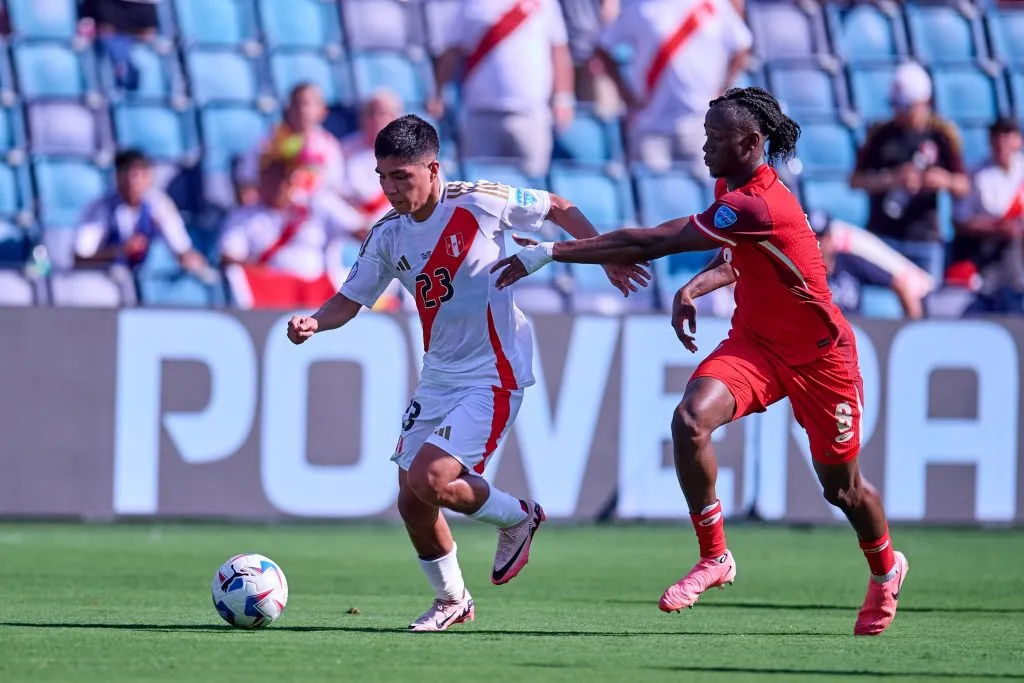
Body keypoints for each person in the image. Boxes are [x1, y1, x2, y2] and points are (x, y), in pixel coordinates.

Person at [493, 87, 908, 636]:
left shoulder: (759, 202)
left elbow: (653, 241)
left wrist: (549, 251)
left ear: (751, 142)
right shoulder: (733, 191)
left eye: (715, 137)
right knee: (690, 420)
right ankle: (715, 556)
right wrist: (697, 286)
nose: (704, 146)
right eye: (705, 134)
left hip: (820, 359)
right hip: (757, 344)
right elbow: (739, 254)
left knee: (841, 490)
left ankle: (885, 569)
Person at [285, 115, 649, 631]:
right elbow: (350, 299)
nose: (390, 189)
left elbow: (560, 208)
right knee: (412, 502)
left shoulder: (480, 200)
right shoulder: (387, 234)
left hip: (494, 370)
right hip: (439, 375)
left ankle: (520, 516)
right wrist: (314, 323)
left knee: (431, 478)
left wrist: (607, 255)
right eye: (381, 177)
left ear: (433, 168)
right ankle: (452, 600)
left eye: (401, 177)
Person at [849, 62, 969, 284]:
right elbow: (855, 180)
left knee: (926, 306)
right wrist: (892, 179)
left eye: (906, 107)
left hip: (924, 238)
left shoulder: (941, 135)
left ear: (924, 103)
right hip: (884, 235)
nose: (899, 113)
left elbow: (963, 185)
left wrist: (943, 181)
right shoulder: (881, 134)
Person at [75, 149, 208, 276]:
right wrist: (120, 251)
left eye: (140, 175)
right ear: (117, 177)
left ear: (149, 177)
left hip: (142, 282)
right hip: (104, 283)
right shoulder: (101, 209)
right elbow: (80, 258)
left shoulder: (158, 203)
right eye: (129, 175)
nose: (134, 182)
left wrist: (190, 259)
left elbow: (181, 247)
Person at [949, 117, 1024, 314]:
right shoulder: (977, 175)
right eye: (998, 137)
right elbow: (960, 220)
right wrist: (996, 227)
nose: (1003, 143)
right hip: (986, 253)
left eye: (1009, 136)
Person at [810, 211, 924, 320]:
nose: (817, 243)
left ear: (831, 238)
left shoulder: (849, 262)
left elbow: (898, 283)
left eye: (821, 237)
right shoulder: (800, 271)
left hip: (854, 332)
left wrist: (912, 324)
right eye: (812, 237)